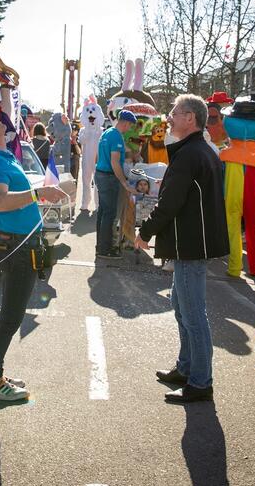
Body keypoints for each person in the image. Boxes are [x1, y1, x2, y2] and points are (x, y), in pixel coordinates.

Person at [0, 106, 64, 402]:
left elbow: (4, 116)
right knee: (10, 317)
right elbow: (1, 202)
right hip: (17, 246)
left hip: (17, 242)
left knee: (10, 314)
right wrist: (39, 194)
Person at [134, 94, 228, 403]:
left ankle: (201, 382)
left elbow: (170, 203)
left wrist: (145, 232)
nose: (169, 118)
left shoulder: (191, 154)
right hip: (190, 243)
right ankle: (186, 368)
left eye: (174, 113)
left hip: (190, 246)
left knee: (192, 315)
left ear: (191, 118)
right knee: (182, 308)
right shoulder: (199, 150)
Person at [94, 110, 136, 260]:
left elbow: (98, 156)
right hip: (109, 177)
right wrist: (124, 183)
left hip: (100, 174)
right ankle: (105, 249)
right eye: (130, 125)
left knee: (103, 212)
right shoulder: (116, 136)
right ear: (125, 122)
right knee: (109, 214)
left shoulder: (107, 133)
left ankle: (100, 246)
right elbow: (115, 161)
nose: (129, 128)